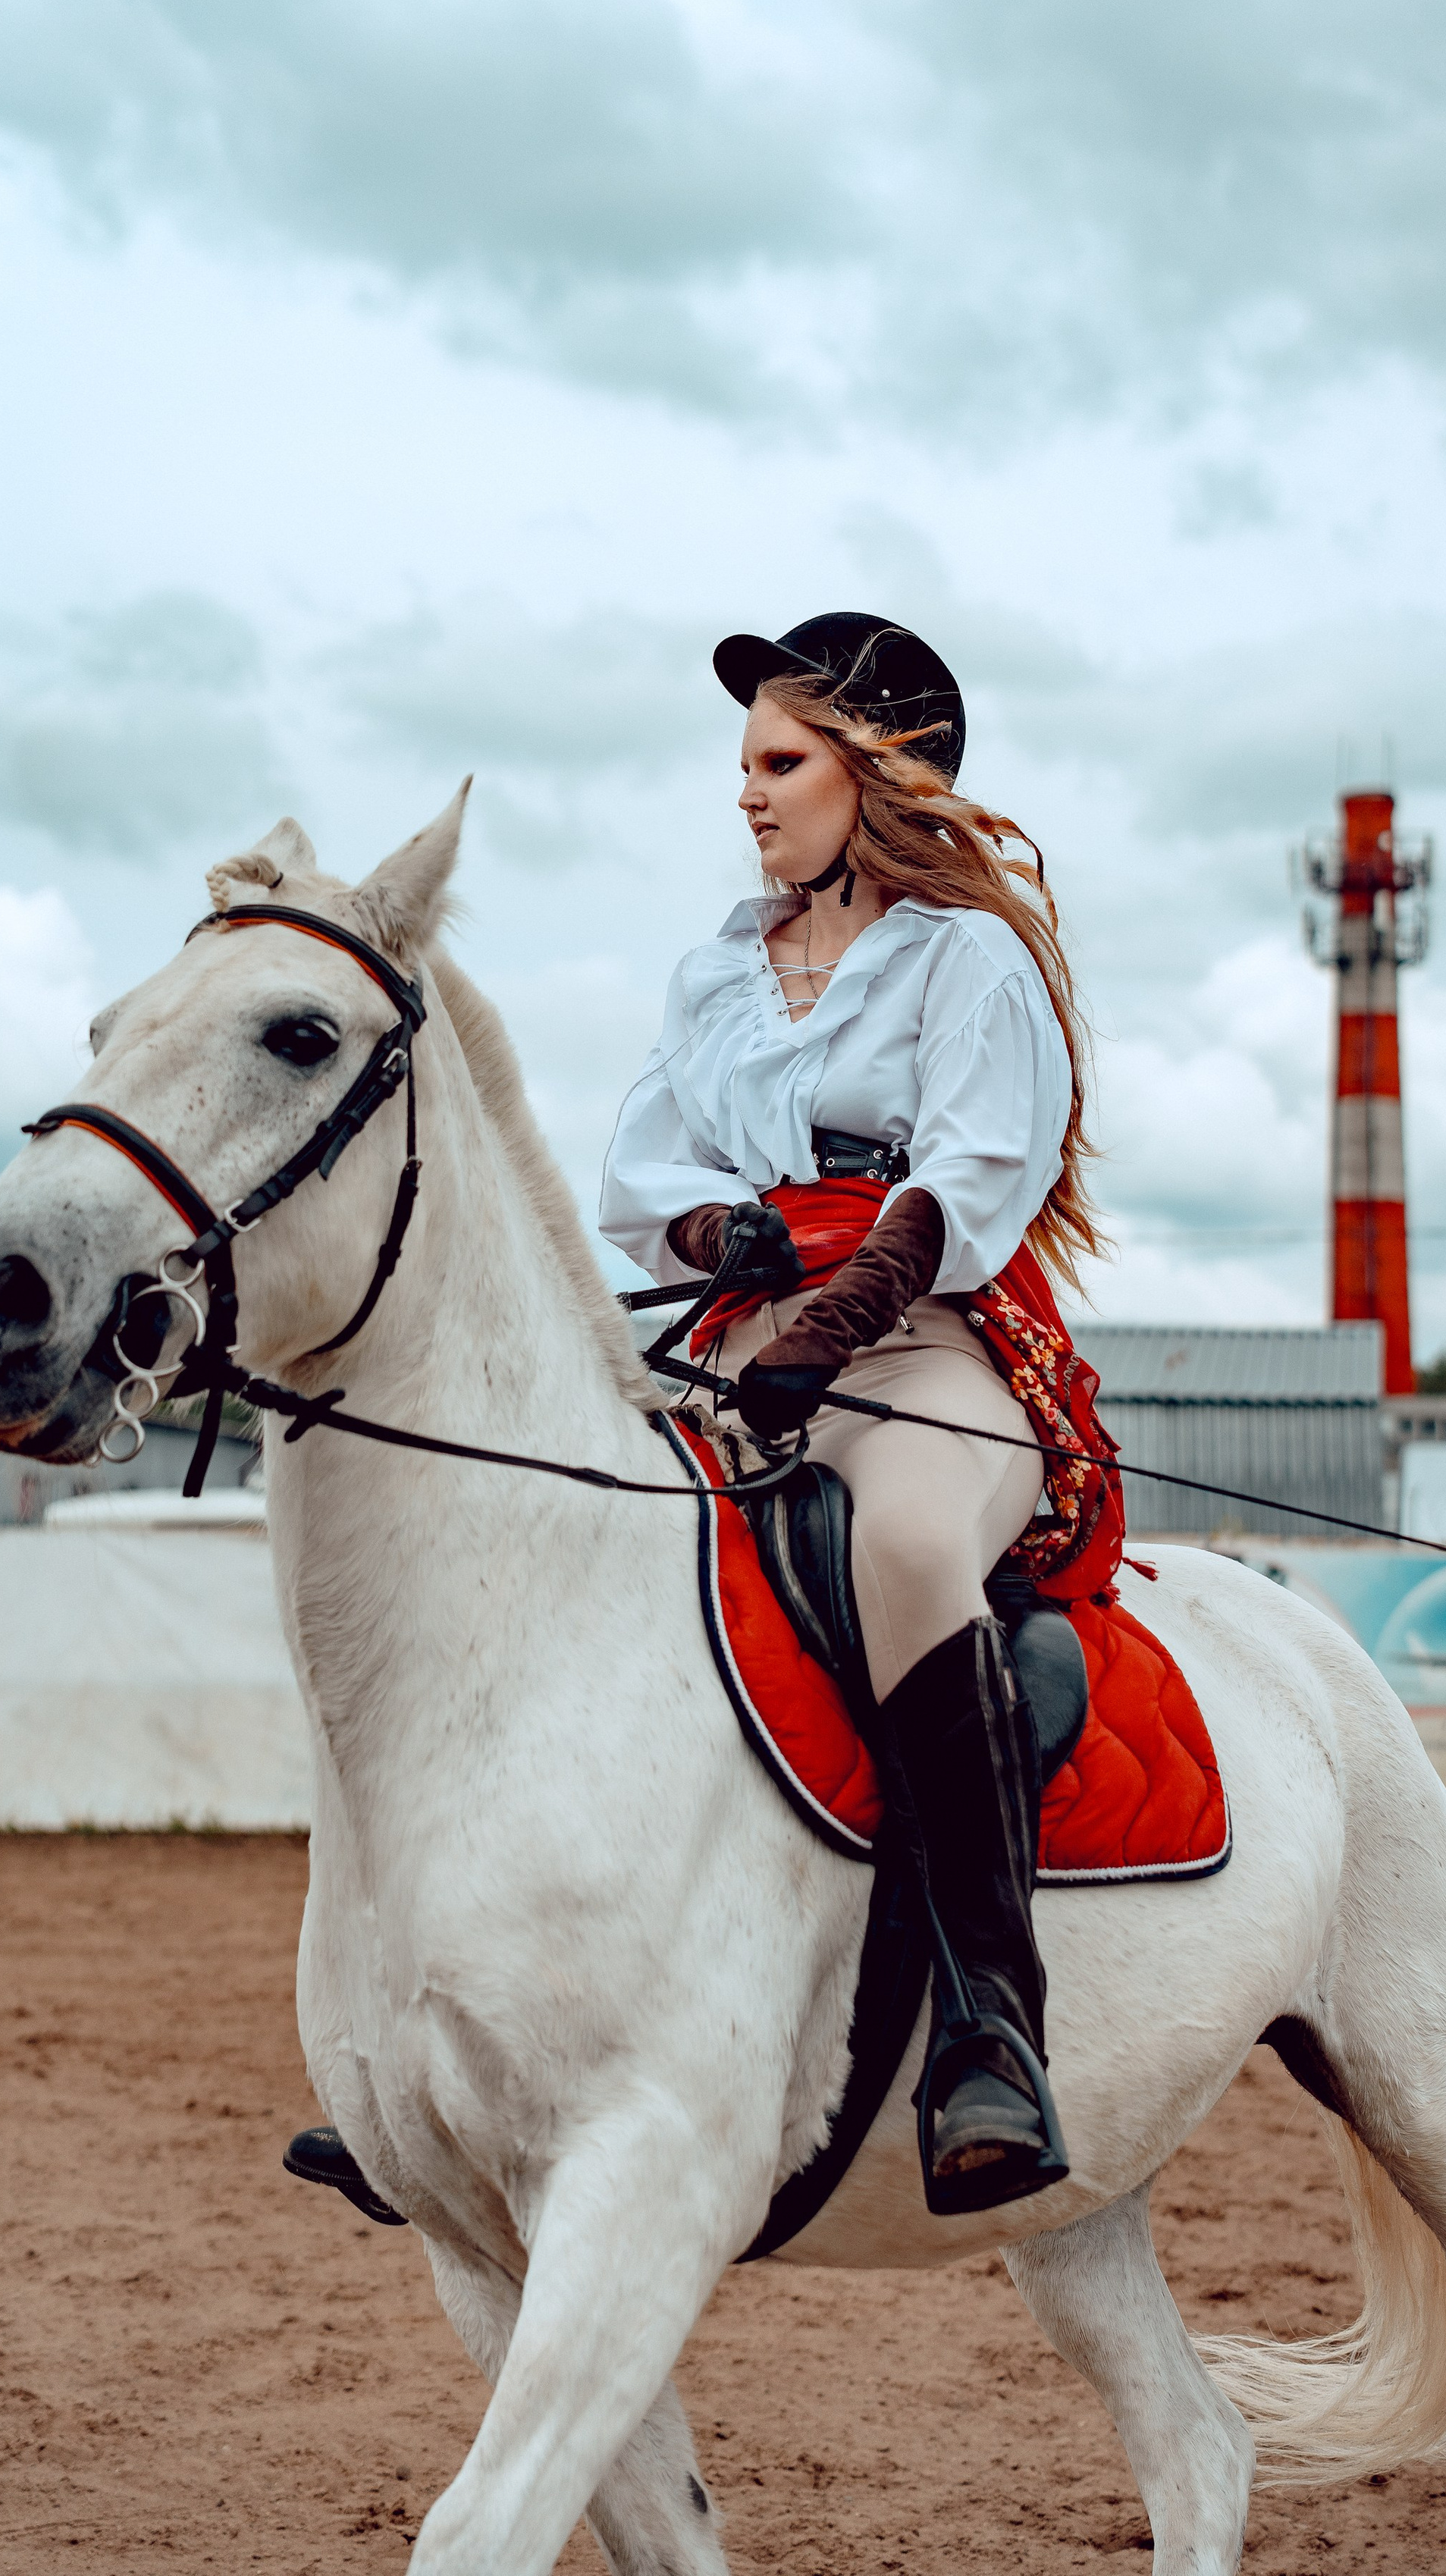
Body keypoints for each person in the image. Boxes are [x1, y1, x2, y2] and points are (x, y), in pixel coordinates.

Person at [599, 610, 1109, 2212]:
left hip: (930, 1349)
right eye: (741, 763)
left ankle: (988, 2031)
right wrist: (713, 1236)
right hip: (747, 1345)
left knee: (897, 1541)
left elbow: (970, 1177)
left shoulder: (966, 959)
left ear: (871, 771)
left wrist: (833, 1317)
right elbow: (637, 1168)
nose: (744, 793)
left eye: (778, 760)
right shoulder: (714, 970)